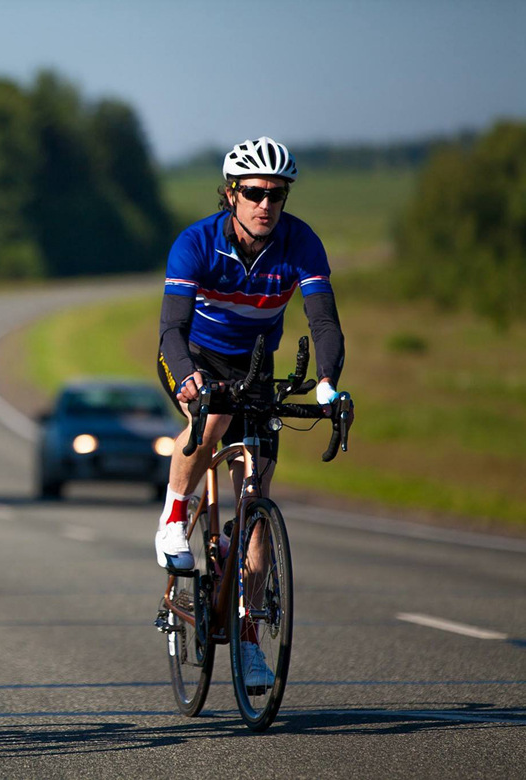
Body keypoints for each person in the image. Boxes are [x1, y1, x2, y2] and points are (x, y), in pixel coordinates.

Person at [154, 137, 346, 685]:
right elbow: (171, 328)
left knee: (257, 497)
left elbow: (324, 323)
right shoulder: (196, 243)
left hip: (256, 366)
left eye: (277, 194)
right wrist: (188, 375)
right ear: (231, 194)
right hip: (195, 355)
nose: (267, 204)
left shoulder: (299, 243)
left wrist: (329, 382)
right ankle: (172, 518)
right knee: (209, 419)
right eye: (256, 193)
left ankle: (248, 640)